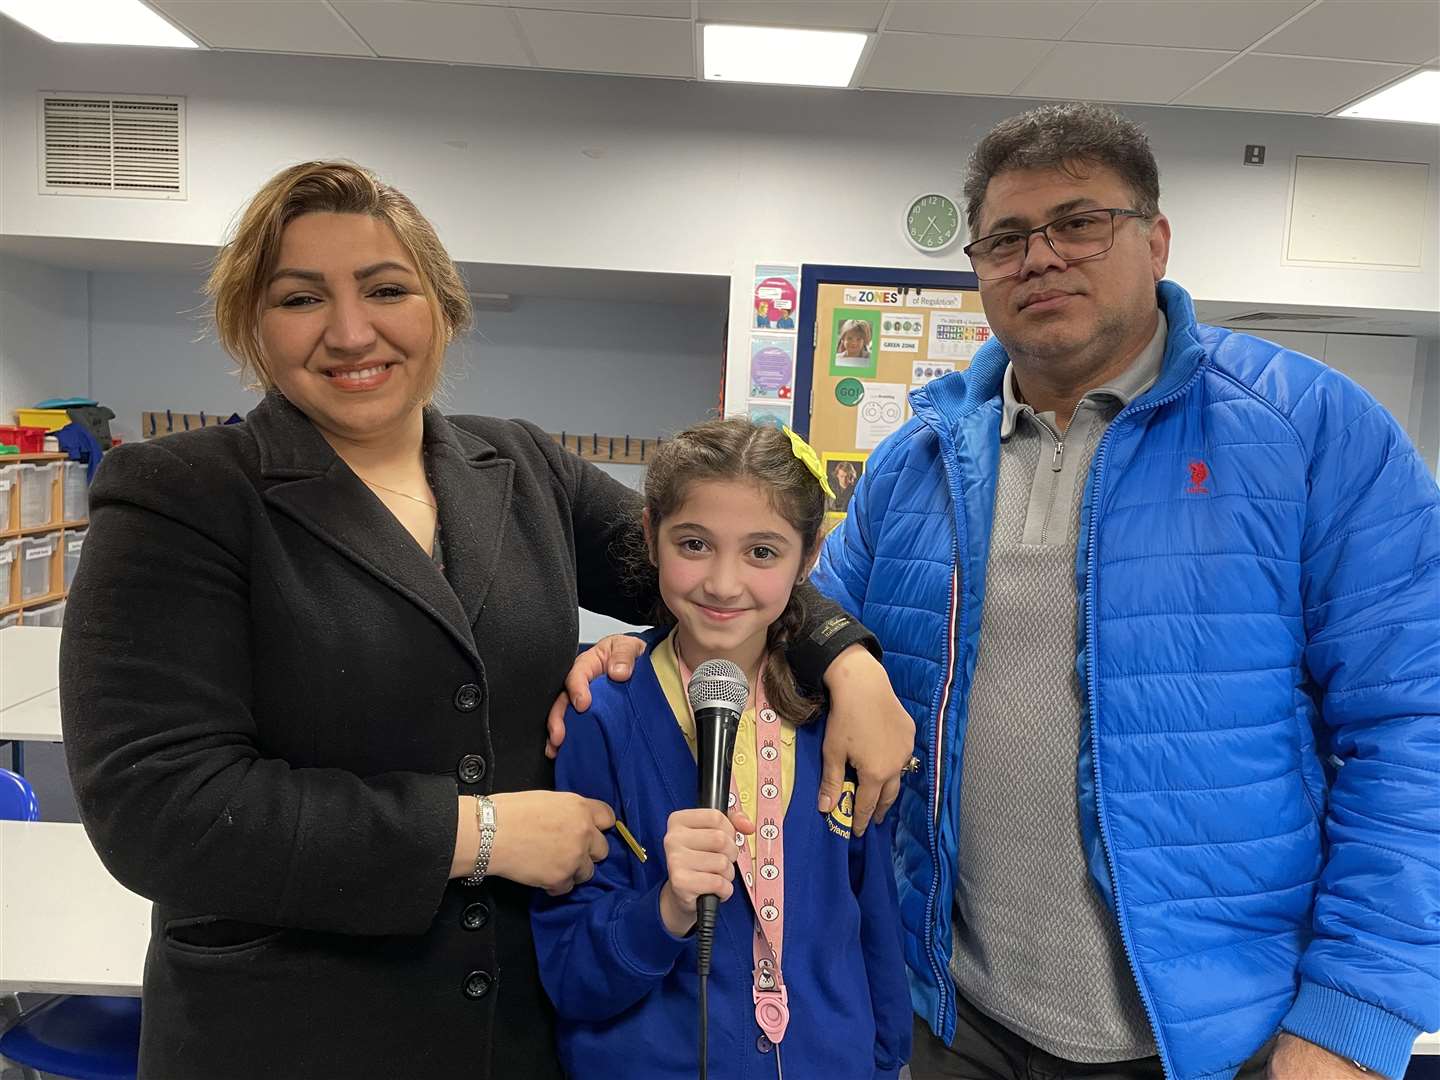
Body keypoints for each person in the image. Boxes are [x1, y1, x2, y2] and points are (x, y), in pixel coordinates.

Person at [58, 161, 915, 1080]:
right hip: (296, 1025)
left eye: (387, 289)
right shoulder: (183, 494)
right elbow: (160, 810)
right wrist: (485, 833)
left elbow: (710, 570)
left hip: (514, 1025)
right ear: (251, 325)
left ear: (441, 305)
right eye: (302, 297)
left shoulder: (520, 468)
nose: (353, 331)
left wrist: (847, 660)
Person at [812, 103, 1439, 1080]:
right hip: (955, 1020)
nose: (1041, 258)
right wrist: (835, 656)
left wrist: (1355, 1014)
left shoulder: (1312, 433)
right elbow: (811, 617)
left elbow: (1413, 730)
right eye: (1008, 237)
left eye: (1079, 222)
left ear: (1156, 241)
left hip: (1223, 1045)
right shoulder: (917, 461)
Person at [532, 419, 911, 1078]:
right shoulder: (602, 714)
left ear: (808, 555)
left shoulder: (839, 717)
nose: (724, 583)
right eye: (695, 544)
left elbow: (873, 918)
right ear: (650, 536)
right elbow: (571, 973)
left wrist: (883, 1060)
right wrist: (665, 911)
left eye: (762, 552)